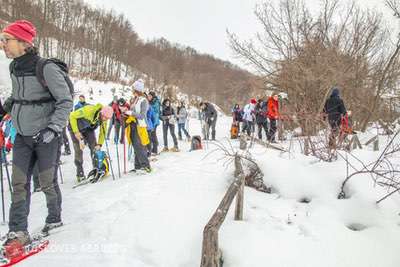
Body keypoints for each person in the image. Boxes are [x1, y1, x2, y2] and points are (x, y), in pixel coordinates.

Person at [1, 20, 73, 246]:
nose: (2, 45)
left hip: (46, 136)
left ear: (23, 42)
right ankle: (17, 231)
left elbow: (65, 101)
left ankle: (54, 219)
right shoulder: (14, 67)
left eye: (6, 40)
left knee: (46, 181)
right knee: (19, 184)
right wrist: (4, 109)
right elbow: (18, 97)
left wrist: (53, 128)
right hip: (22, 135)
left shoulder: (45, 67)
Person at [69, 104, 113, 182]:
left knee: (94, 147)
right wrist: (76, 133)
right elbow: (72, 116)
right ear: (101, 113)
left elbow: (103, 132)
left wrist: (99, 144)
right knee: (79, 150)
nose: (105, 120)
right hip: (75, 127)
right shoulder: (89, 110)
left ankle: (97, 169)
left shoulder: (104, 119)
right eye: (104, 117)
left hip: (88, 128)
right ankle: (80, 174)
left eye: (107, 119)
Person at [122, 79, 151, 172]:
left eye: (133, 88)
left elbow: (142, 115)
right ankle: (137, 166)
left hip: (140, 125)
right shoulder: (135, 99)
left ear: (137, 90)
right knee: (135, 145)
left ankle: (146, 166)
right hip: (133, 125)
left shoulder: (144, 101)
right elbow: (132, 112)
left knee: (140, 146)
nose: (132, 90)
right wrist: (126, 113)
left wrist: (130, 112)